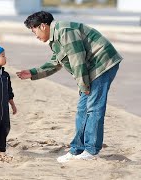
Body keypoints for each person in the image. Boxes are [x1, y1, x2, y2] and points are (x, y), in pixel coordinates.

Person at [16, 11, 122, 163]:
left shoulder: (64, 31)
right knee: (82, 110)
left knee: (93, 108)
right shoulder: (56, 37)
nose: (36, 36)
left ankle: (91, 151)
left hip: (103, 64)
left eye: (35, 32)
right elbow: (55, 63)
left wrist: (83, 85)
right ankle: (76, 150)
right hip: (90, 69)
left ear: (43, 26)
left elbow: (77, 60)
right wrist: (32, 73)